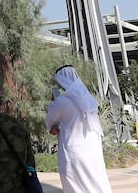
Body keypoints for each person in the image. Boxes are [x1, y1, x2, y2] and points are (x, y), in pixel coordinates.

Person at [45, 65, 112, 193]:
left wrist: (52, 103)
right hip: (93, 151)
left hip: (73, 152)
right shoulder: (89, 99)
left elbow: (50, 122)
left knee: (74, 185)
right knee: (97, 184)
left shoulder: (61, 101)